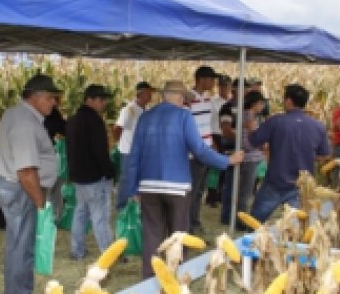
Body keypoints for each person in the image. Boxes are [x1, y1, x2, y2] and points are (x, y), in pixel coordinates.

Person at [125, 80, 244, 278]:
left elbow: (134, 154)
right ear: (180, 98)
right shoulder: (183, 116)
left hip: (148, 185)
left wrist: (132, 188)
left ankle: (149, 279)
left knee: (152, 234)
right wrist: (227, 160)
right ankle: (177, 276)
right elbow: (199, 150)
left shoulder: (145, 117)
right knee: (178, 233)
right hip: (177, 185)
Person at [0, 74, 61, 294]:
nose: (54, 103)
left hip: (11, 185)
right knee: (23, 245)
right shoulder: (25, 123)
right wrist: (40, 203)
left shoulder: (16, 114)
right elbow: (26, 170)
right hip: (21, 189)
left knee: (16, 242)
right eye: (51, 98)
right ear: (36, 97)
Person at [248, 84, 330, 222]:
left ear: (288, 101)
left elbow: (254, 140)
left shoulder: (275, 121)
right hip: (301, 186)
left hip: (275, 182)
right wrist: (306, 155)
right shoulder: (318, 126)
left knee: (254, 223)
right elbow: (325, 155)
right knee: (295, 227)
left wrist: (250, 121)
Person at [66, 84, 116, 260]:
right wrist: (110, 172)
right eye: (101, 100)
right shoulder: (94, 121)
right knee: (100, 216)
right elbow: (100, 152)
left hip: (79, 177)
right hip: (94, 177)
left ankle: (77, 250)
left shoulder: (72, 120)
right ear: (89, 100)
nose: (104, 103)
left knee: (81, 213)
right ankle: (109, 255)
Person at [219, 88, 266, 229]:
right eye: (261, 103)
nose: (263, 107)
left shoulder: (241, 115)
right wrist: (263, 147)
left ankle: (227, 217)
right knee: (245, 192)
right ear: (256, 103)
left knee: (231, 188)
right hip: (249, 158)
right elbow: (251, 141)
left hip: (239, 156)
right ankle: (240, 222)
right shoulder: (250, 118)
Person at [113, 81, 154, 209]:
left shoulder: (147, 110)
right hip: (128, 150)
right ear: (141, 94)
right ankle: (121, 205)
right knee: (126, 178)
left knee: (138, 178)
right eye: (149, 93)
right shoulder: (129, 110)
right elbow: (117, 128)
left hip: (142, 151)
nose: (151, 96)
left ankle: (134, 204)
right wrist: (120, 142)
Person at [187, 65, 218, 234]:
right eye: (211, 79)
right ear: (201, 80)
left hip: (206, 150)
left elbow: (206, 126)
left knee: (200, 191)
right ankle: (189, 225)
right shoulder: (188, 100)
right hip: (195, 153)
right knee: (193, 191)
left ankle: (195, 221)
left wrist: (211, 143)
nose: (213, 82)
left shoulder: (207, 99)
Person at [206, 74, 231, 208]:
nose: (224, 89)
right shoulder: (213, 102)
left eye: (226, 86)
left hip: (227, 136)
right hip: (215, 135)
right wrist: (212, 141)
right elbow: (208, 122)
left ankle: (221, 194)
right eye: (221, 86)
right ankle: (211, 196)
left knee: (226, 167)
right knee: (215, 168)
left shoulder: (232, 102)